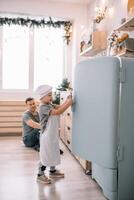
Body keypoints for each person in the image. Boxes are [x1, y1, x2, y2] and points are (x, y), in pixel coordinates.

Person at [35, 84, 73, 184]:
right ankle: (40, 174)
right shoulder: (43, 107)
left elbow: (60, 106)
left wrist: (67, 100)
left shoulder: (49, 104)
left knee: (54, 152)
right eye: (49, 95)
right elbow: (58, 112)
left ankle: (52, 171)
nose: (51, 97)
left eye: (51, 94)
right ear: (42, 97)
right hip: (47, 135)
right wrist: (69, 103)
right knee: (46, 155)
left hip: (52, 134)